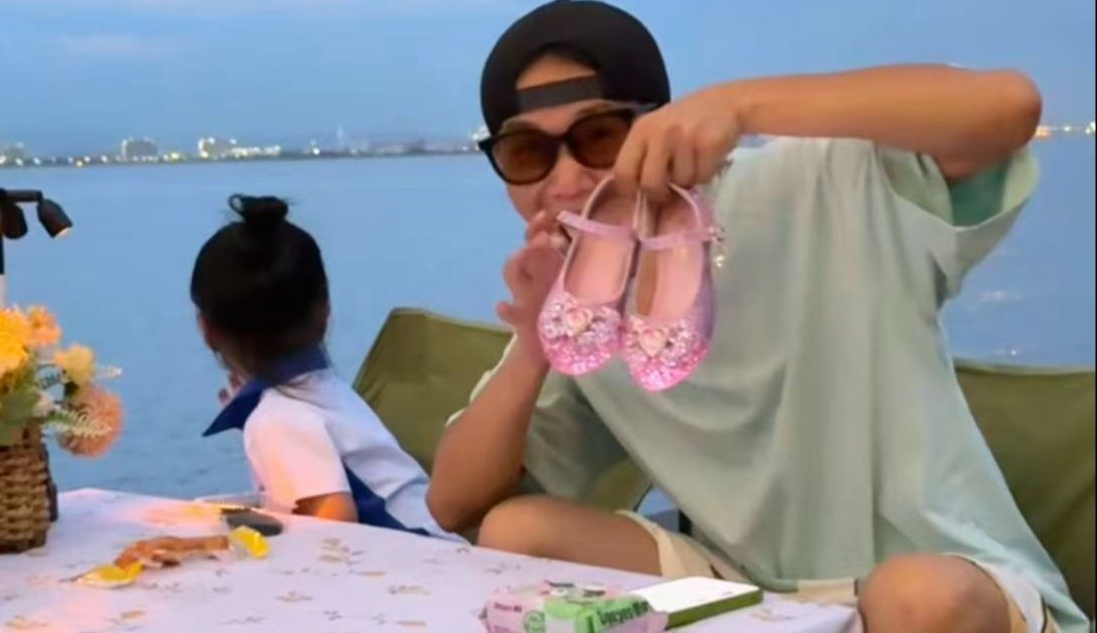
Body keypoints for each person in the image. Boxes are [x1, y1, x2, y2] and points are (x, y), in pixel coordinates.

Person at [427, 2, 1087, 632]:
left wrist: (738, 105)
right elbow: (455, 504)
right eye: (527, 153)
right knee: (518, 532)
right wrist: (533, 345)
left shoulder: (820, 186)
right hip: (747, 589)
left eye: (599, 136)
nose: (567, 177)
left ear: (658, 124)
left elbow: (1008, 107)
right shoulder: (583, 307)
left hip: (940, 583)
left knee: (916, 599)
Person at [193, 194, 462, 543]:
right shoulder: (324, 393)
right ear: (324, 315)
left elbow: (334, 521)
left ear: (206, 330)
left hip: (413, 560)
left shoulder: (278, 417)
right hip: (439, 547)